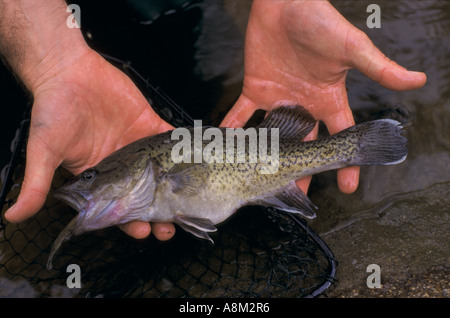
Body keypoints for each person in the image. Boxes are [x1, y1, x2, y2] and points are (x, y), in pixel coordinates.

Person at [0, 0, 426, 241]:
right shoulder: (147, 174)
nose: (83, 184)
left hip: (169, 12)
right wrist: (52, 59)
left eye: (91, 178)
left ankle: (355, 146)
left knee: (181, 52)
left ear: (137, 168)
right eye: (88, 181)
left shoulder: (153, 171)